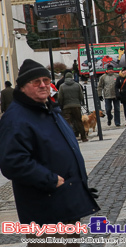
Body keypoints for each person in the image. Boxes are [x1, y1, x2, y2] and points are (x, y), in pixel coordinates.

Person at [0, 59, 99, 234]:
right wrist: (51, 180)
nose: (43, 85)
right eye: (36, 82)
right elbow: (13, 162)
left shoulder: (49, 109)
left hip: (67, 202)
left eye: (46, 80)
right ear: (22, 87)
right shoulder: (16, 118)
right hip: (45, 210)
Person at [58, 72, 87, 142]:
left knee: (67, 123)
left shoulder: (62, 86)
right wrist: (79, 102)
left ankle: (70, 138)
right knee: (79, 121)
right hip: (76, 106)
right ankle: (83, 137)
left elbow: (60, 98)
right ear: (72, 77)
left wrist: (61, 105)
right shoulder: (77, 85)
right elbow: (81, 96)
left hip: (66, 107)